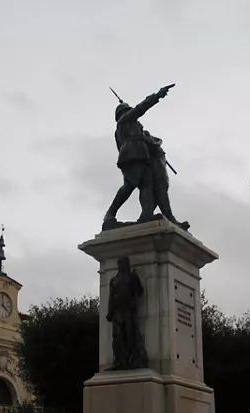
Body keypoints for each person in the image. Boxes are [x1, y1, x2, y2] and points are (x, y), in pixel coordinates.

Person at [103, 86, 188, 230]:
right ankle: (110, 214)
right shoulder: (124, 121)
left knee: (146, 184)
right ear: (125, 113)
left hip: (141, 156)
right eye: (130, 112)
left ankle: (146, 213)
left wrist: (149, 141)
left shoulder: (134, 128)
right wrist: (157, 96)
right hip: (132, 155)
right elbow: (140, 108)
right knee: (130, 185)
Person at [106, 256, 148, 370]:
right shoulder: (114, 280)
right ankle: (119, 361)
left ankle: (131, 361)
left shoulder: (131, 277)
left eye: (122, 263)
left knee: (130, 337)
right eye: (119, 263)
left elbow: (140, 292)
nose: (120, 265)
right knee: (117, 336)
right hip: (117, 312)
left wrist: (135, 279)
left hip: (129, 311)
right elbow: (111, 297)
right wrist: (110, 312)